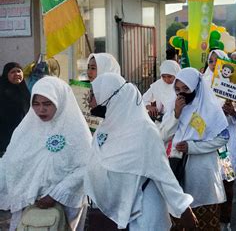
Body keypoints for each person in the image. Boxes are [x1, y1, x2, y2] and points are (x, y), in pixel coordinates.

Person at [85, 73, 196, 230]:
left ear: (109, 97)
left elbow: (163, 173)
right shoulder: (105, 130)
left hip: (144, 215)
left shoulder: (143, 132)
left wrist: (183, 208)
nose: (89, 100)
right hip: (117, 216)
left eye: (93, 95)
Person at [0, 76, 92, 230]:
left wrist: (55, 194)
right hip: (28, 209)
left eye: (47, 104)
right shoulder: (25, 130)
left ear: (60, 101)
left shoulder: (76, 132)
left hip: (64, 208)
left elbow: (86, 167)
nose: (41, 110)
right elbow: (9, 163)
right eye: (36, 104)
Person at [160, 68, 229, 231]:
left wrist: (193, 147)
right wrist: (176, 114)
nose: (181, 93)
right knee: (179, 220)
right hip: (176, 169)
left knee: (205, 222)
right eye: (177, 89)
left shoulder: (210, 108)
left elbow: (223, 137)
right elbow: (162, 135)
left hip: (202, 172)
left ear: (196, 87)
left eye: (186, 89)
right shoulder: (173, 106)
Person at [217, 52, 236, 231]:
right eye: (211, 61)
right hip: (206, 146)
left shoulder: (235, 84)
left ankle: (225, 220)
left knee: (227, 181)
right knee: (208, 184)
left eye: (217, 62)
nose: (213, 65)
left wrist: (234, 113)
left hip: (225, 146)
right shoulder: (202, 84)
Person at [0, 62, 30, 155]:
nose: (16, 74)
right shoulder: (2, 92)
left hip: (22, 136)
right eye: (12, 72)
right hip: (4, 138)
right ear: (6, 75)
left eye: (19, 71)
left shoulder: (25, 91)